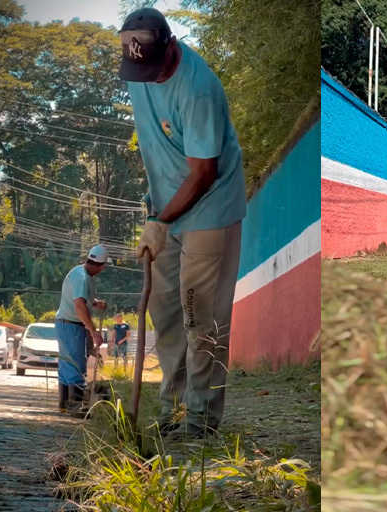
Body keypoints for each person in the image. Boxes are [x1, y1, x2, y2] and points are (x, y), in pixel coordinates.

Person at [119, 8, 246, 439]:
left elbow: (203, 173)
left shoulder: (199, 90)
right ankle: (171, 409)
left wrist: (161, 219)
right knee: (167, 312)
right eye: (142, 70)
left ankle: (200, 422)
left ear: (171, 44)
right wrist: (155, 208)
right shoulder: (139, 73)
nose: (151, 78)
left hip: (210, 206)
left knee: (199, 316)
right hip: (165, 208)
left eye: (156, 68)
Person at [54, 245, 110, 416]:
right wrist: (93, 331)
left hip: (64, 324)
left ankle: (64, 403)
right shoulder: (83, 278)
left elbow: (81, 299)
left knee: (66, 364)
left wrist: (95, 303)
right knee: (76, 365)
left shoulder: (80, 272)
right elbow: (79, 305)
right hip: (71, 325)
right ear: (101, 265)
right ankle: (76, 405)